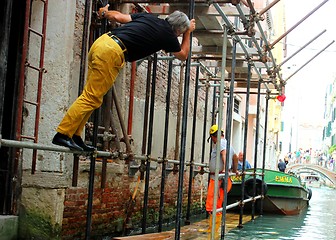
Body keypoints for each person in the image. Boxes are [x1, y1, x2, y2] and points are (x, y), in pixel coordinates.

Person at [51, 4, 196, 151]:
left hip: (102, 43)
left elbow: (117, 16)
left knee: (94, 97)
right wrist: (188, 32)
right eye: (180, 33)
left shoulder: (149, 18)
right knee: (91, 97)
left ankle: (75, 135)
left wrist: (105, 13)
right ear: (178, 31)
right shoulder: (169, 35)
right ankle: (62, 134)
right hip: (112, 52)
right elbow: (183, 55)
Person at [205, 124, 238, 233]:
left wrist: (224, 169)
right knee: (216, 204)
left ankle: (213, 231)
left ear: (214, 136)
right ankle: (212, 228)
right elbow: (235, 157)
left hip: (218, 179)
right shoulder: (229, 144)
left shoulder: (220, 143)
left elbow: (224, 154)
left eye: (212, 138)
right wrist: (235, 170)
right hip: (221, 178)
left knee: (214, 204)